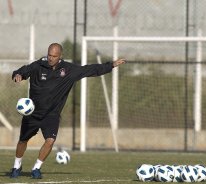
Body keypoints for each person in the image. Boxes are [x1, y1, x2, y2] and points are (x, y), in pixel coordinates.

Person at [9, 43, 126, 179]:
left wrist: (110, 65)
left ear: (60, 56)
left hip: (51, 114)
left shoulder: (68, 70)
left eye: (54, 56)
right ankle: (17, 166)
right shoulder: (38, 66)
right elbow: (22, 71)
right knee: (23, 141)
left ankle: (36, 168)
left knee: (50, 140)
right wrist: (18, 75)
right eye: (49, 55)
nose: (51, 58)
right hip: (32, 113)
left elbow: (89, 70)